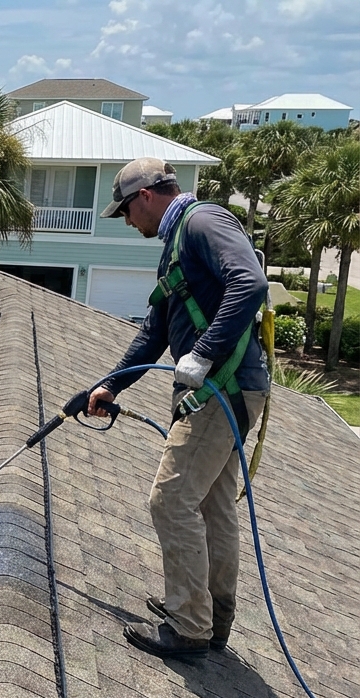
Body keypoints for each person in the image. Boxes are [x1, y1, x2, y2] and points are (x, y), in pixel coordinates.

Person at [88, 157, 269, 658]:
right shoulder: (177, 245)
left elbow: (250, 285)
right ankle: (211, 619)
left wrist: (205, 351)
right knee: (211, 505)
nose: (127, 222)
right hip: (227, 390)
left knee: (170, 500)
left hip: (220, 388)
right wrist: (110, 386)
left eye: (126, 210)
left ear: (146, 195)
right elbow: (155, 330)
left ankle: (188, 625)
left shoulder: (203, 222)